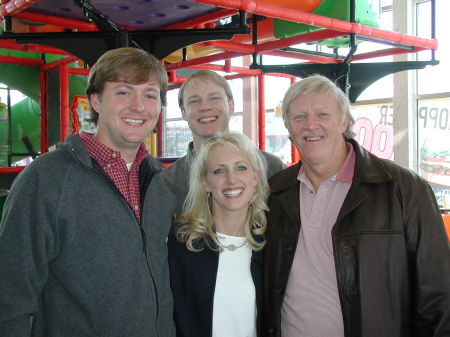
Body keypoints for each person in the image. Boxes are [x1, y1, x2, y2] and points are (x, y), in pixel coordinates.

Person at [0, 47, 176, 337]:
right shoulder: (46, 179)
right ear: (95, 100)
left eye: (150, 94)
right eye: (123, 92)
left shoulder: (159, 181)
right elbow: (10, 292)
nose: (138, 106)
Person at [263, 75, 450, 337]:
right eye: (299, 117)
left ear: (344, 122)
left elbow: (438, 293)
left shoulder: (404, 189)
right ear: (289, 128)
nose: (311, 125)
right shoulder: (274, 191)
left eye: (323, 114)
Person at [168, 132, 270, 337]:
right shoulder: (181, 241)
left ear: (255, 177)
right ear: (205, 182)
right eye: (219, 171)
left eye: (241, 168)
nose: (231, 179)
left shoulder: (272, 243)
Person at [162, 70, 284, 214]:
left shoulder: (271, 169)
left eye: (214, 98)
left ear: (231, 106)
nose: (205, 107)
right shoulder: (167, 182)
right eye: (194, 101)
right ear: (183, 112)